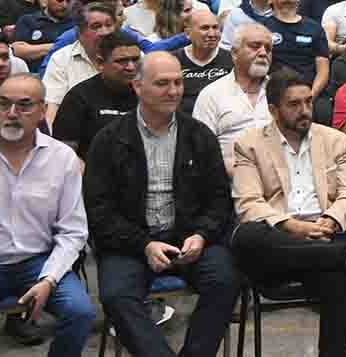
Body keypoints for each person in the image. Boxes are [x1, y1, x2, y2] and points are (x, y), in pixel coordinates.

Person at [84, 52, 242, 357]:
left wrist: (202, 235)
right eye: (162, 84)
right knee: (117, 296)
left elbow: (219, 199)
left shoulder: (199, 135)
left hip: (189, 238)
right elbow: (99, 212)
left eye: (178, 82)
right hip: (130, 243)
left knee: (225, 280)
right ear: (138, 87)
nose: (173, 91)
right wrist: (143, 244)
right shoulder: (109, 140)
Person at [231, 68, 346, 357]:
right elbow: (249, 204)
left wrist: (329, 220)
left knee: (338, 280)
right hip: (279, 245)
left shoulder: (334, 140)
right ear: (273, 109)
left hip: (326, 234)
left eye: (308, 102)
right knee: (246, 236)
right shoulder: (249, 144)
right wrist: (295, 227)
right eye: (294, 104)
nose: (304, 111)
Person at [0, 74, 94, 356]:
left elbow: (73, 231)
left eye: (24, 106)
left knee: (80, 312)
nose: (11, 114)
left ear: (43, 111)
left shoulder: (61, 158)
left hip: (38, 261)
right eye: (4, 104)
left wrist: (49, 279)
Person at [192, 22, 274, 174]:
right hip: (229, 185)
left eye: (268, 49)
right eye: (255, 46)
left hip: (281, 185)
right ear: (235, 54)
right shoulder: (212, 95)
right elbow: (201, 153)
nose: (263, 53)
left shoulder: (281, 92)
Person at [52, 31, 141, 163]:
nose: (131, 67)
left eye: (135, 59)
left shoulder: (150, 94)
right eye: (122, 61)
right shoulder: (79, 97)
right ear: (100, 63)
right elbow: (64, 154)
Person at [43, 2, 117, 125]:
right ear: (80, 32)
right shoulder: (61, 59)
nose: (105, 32)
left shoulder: (132, 57)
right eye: (96, 26)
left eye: (109, 25)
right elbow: (51, 108)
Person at [263, 0, 331, 99]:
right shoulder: (262, 28)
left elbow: (323, 70)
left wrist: (310, 97)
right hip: (274, 93)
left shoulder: (314, 28)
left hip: (309, 91)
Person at [10, 0, 74, 76]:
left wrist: (34, 49)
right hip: (34, 77)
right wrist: (62, 45)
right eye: (59, 0)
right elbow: (18, 51)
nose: (65, 5)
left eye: (69, 1)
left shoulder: (78, 23)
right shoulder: (28, 20)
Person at [175, 8, 233, 114]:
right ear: (188, 33)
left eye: (215, 28)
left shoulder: (232, 60)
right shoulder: (173, 61)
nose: (212, 34)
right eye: (205, 28)